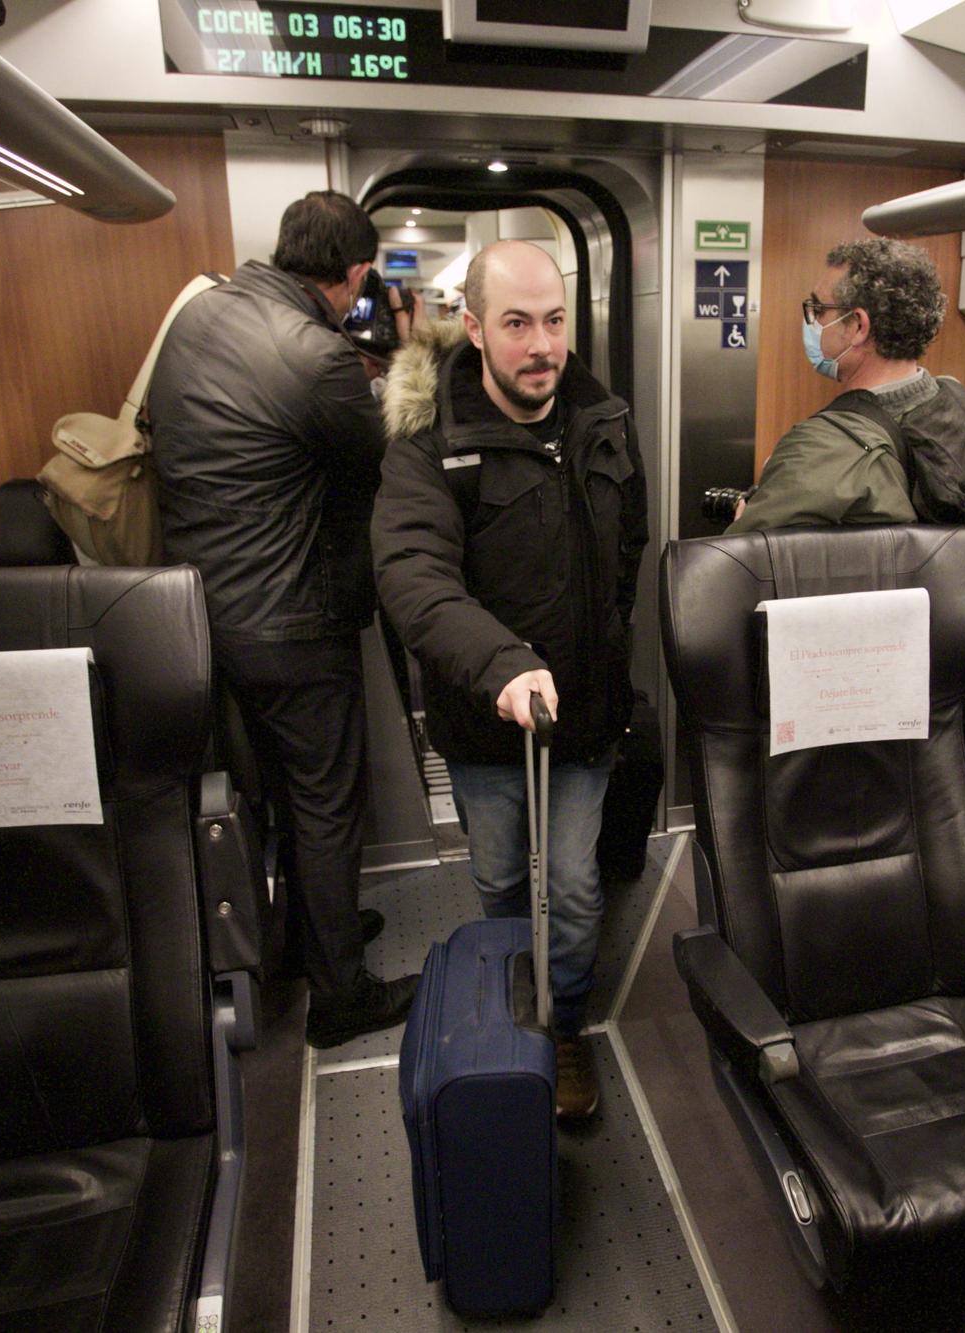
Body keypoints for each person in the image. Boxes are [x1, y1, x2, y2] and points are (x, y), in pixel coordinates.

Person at [374, 239, 647, 1121]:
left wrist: (606, 644)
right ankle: (511, 987)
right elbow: (414, 573)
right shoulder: (431, 444)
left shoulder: (605, 417)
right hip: (486, 721)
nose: (543, 346)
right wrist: (501, 664)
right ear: (478, 330)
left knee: (570, 884)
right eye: (519, 323)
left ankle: (562, 1024)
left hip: (587, 712)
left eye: (555, 321)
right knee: (499, 874)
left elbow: (629, 545)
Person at [148, 190, 418, 1048]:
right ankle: (340, 998)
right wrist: (403, 354)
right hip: (292, 618)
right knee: (327, 802)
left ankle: (306, 940)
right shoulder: (317, 356)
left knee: (277, 794)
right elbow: (387, 453)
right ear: (355, 275)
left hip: (204, 617)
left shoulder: (199, 315)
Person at [728, 237, 965, 533]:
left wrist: (750, 513)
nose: (811, 320)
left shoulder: (819, 449)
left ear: (858, 326)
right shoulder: (956, 403)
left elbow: (741, 561)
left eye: (819, 309)